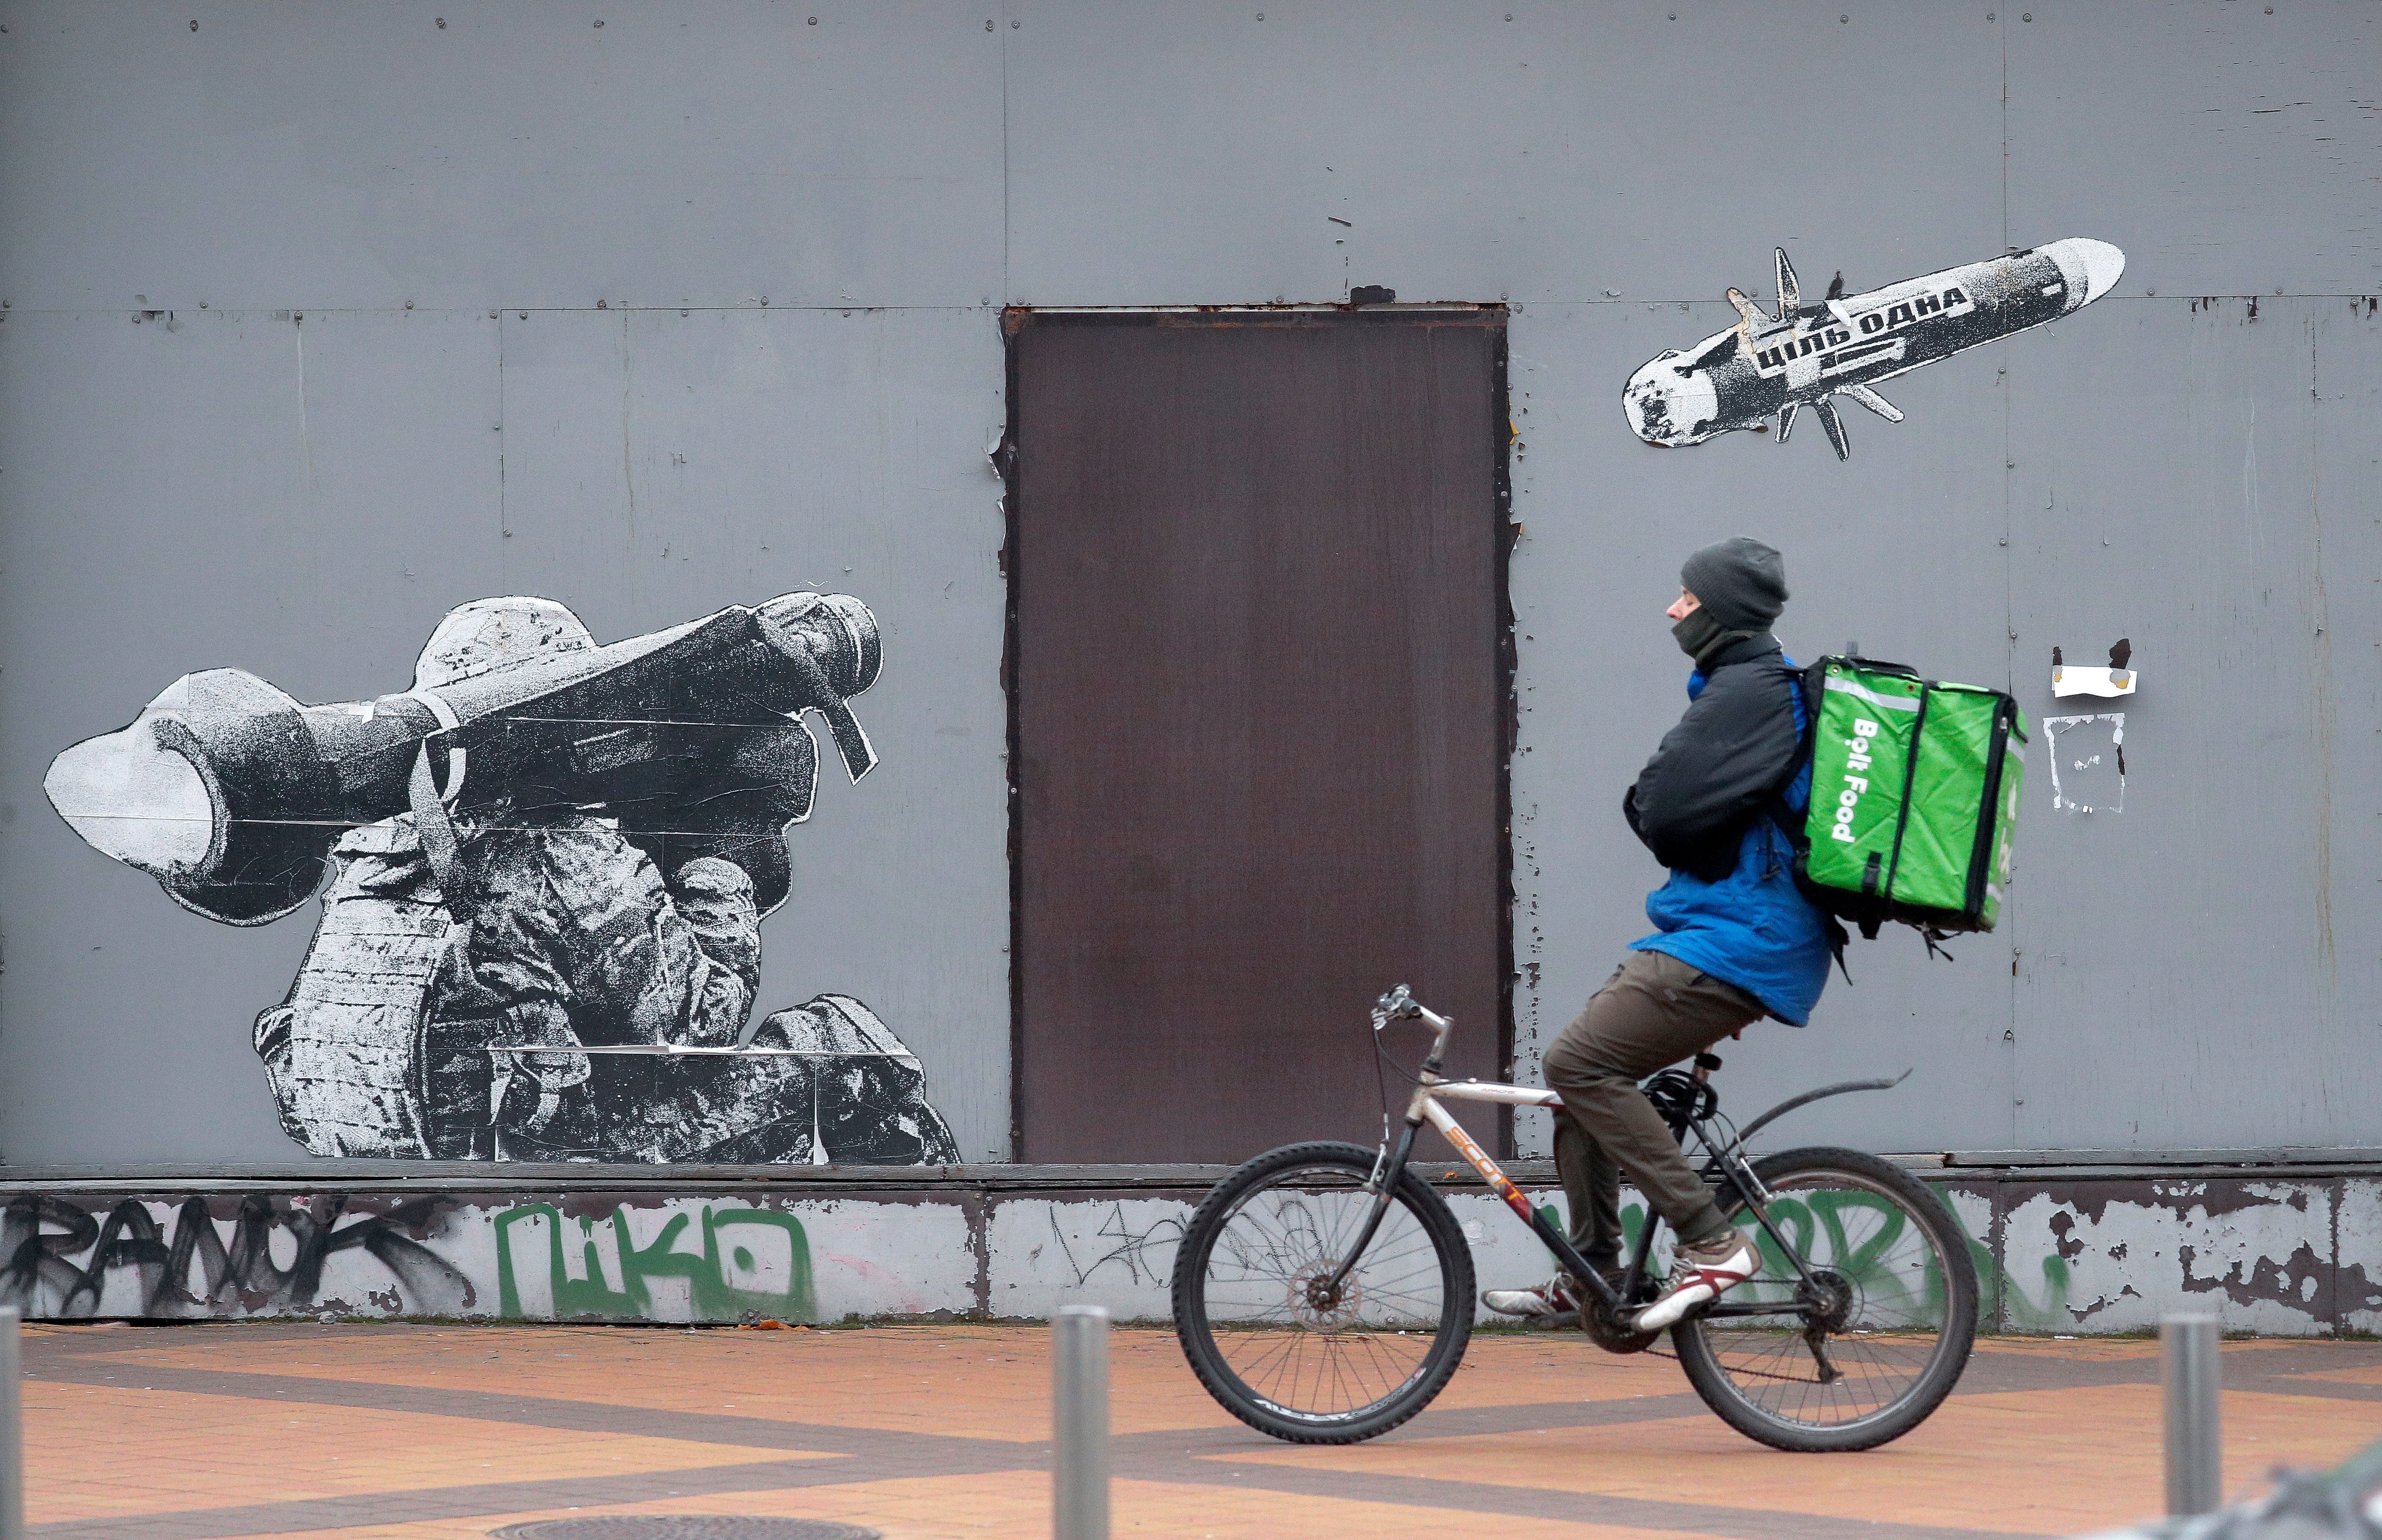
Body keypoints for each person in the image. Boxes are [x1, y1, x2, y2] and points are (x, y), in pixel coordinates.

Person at [1484, 536, 1832, 1332]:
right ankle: (1593, 1273)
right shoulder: (1745, 687)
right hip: (1726, 931)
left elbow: (1662, 809)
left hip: (1740, 937)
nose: (1673, 609)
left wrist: (1654, 810)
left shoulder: (1747, 693)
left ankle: (1710, 1240)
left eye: (1688, 597)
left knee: (1577, 1062)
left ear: (1721, 611)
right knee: (1578, 1089)